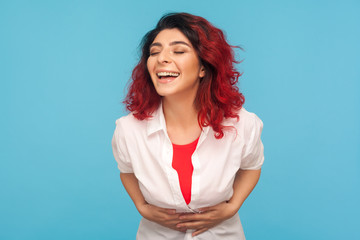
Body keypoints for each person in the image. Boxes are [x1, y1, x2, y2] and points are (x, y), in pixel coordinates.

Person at [112, 12, 264, 240]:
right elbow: (126, 170)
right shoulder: (128, 129)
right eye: (155, 52)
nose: (162, 58)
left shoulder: (242, 124)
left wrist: (232, 206)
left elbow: (252, 165)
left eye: (179, 50)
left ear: (204, 67)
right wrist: (142, 206)